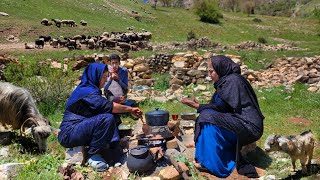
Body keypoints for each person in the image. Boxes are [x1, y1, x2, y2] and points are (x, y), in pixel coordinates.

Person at [181, 55, 264, 178]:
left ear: (221, 69)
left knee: (207, 117)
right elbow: (221, 107)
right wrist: (199, 106)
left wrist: (196, 105)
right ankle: (204, 157)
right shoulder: (227, 80)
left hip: (249, 126)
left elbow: (220, 108)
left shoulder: (232, 81)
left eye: (211, 71)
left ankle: (212, 165)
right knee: (207, 115)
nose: (209, 75)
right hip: (240, 122)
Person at [58, 62, 143, 172]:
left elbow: (105, 107)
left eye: (106, 76)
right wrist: (130, 109)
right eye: (103, 77)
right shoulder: (86, 91)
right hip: (69, 133)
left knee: (110, 116)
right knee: (106, 118)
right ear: (95, 76)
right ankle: (93, 155)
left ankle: (113, 147)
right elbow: (108, 106)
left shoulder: (91, 89)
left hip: (79, 129)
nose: (105, 80)